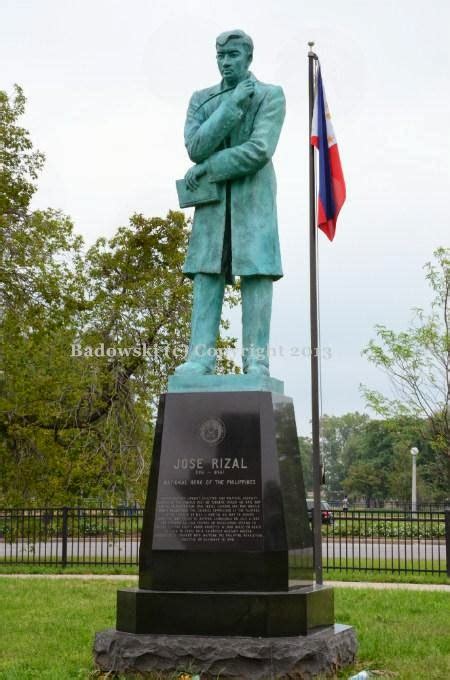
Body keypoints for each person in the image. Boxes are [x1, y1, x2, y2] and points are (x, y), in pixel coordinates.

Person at [175, 29, 286, 376]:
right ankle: (200, 357)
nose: (226, 62)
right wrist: (232, 104)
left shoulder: (270, 95)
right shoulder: (202, 99)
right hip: (211, 206)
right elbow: (196, 147)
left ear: (248, 58)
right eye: (221, 56)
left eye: (233, 55)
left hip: (254, 200)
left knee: (256, 275)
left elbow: (259, 150)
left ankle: (256, 361)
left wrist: (209, 167)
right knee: (206, 275)